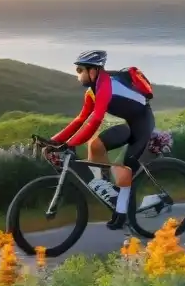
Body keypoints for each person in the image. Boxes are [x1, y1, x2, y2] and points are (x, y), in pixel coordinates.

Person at [47, 49, 155, 229]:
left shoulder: (106, 85)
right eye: (77, 71)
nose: (78, 75)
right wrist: (54, 141)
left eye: (80, 70)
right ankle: (109, 192)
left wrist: (71, 144)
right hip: (129, 124)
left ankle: (122, 211)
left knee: (124, 167)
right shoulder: (92, 92)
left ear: (93, 70)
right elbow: (80, 119)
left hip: (143, 123)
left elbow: (96, 119)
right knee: (96, 145)